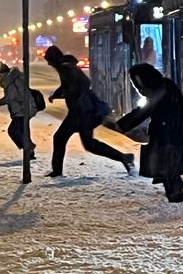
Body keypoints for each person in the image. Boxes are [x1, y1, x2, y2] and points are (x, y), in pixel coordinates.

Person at [44, 45, 134, 177]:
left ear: (54, 59)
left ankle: (57, 171)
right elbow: (70, 85)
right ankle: (124, 157)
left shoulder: (65, 68)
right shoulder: (68, 66)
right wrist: (57, 95)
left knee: (60, 138)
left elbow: (79, 84)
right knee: (89, 144)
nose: (49, 64)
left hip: (81, 112)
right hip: (84, 111)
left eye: (49, 61)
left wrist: (75, 96)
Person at [113, 63, 183, 202]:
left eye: (139, 86)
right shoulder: (164, 87)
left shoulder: (161, 90)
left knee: (168, 169)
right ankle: (176, 195)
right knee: (169, 169)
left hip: (170, 136)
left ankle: (177, 201)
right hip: (170, 134)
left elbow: (143, 112)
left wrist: (120, 125)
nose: (140, 90)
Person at [0, 62, 37, 157]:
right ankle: (30, 153)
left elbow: (24, 96)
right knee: (23, 132)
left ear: (5, 73)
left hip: (23, 111)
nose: (0, 77)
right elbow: (8, 98)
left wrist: (24, 108)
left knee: (13, 131)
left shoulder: (15, 80)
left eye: (0, 75)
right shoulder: (9, 82)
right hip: (19, 111)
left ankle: (29, 147)